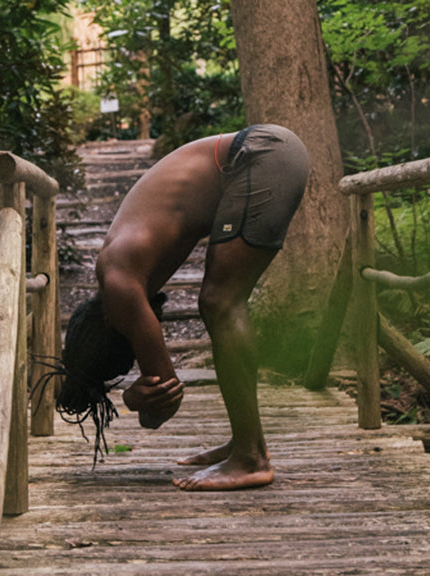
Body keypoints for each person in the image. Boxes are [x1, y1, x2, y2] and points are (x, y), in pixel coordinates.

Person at [60, 124, 309, 491]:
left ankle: (250, 458)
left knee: (219, 302)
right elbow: (161, 398)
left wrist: (133, 398)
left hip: (258, 156)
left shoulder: (119, 286)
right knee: (221, 300)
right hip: (264, 152)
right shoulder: (119, 270)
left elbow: (166, 394)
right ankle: (245, 443)